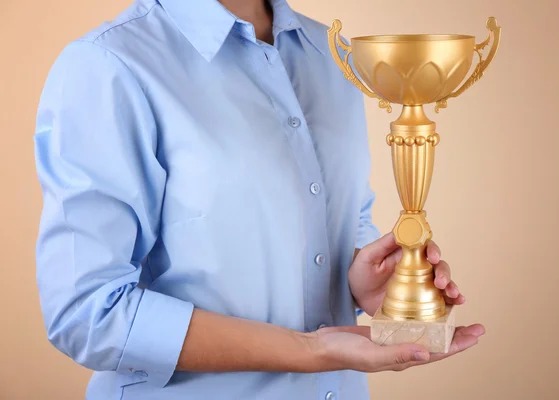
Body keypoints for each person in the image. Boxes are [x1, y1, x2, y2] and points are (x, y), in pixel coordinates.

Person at [33, 0, 484, 399]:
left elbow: (343, 220)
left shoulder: (335, 54)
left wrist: (361, 280)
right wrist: (310, 350)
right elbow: (87, 313)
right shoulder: (111, 64)